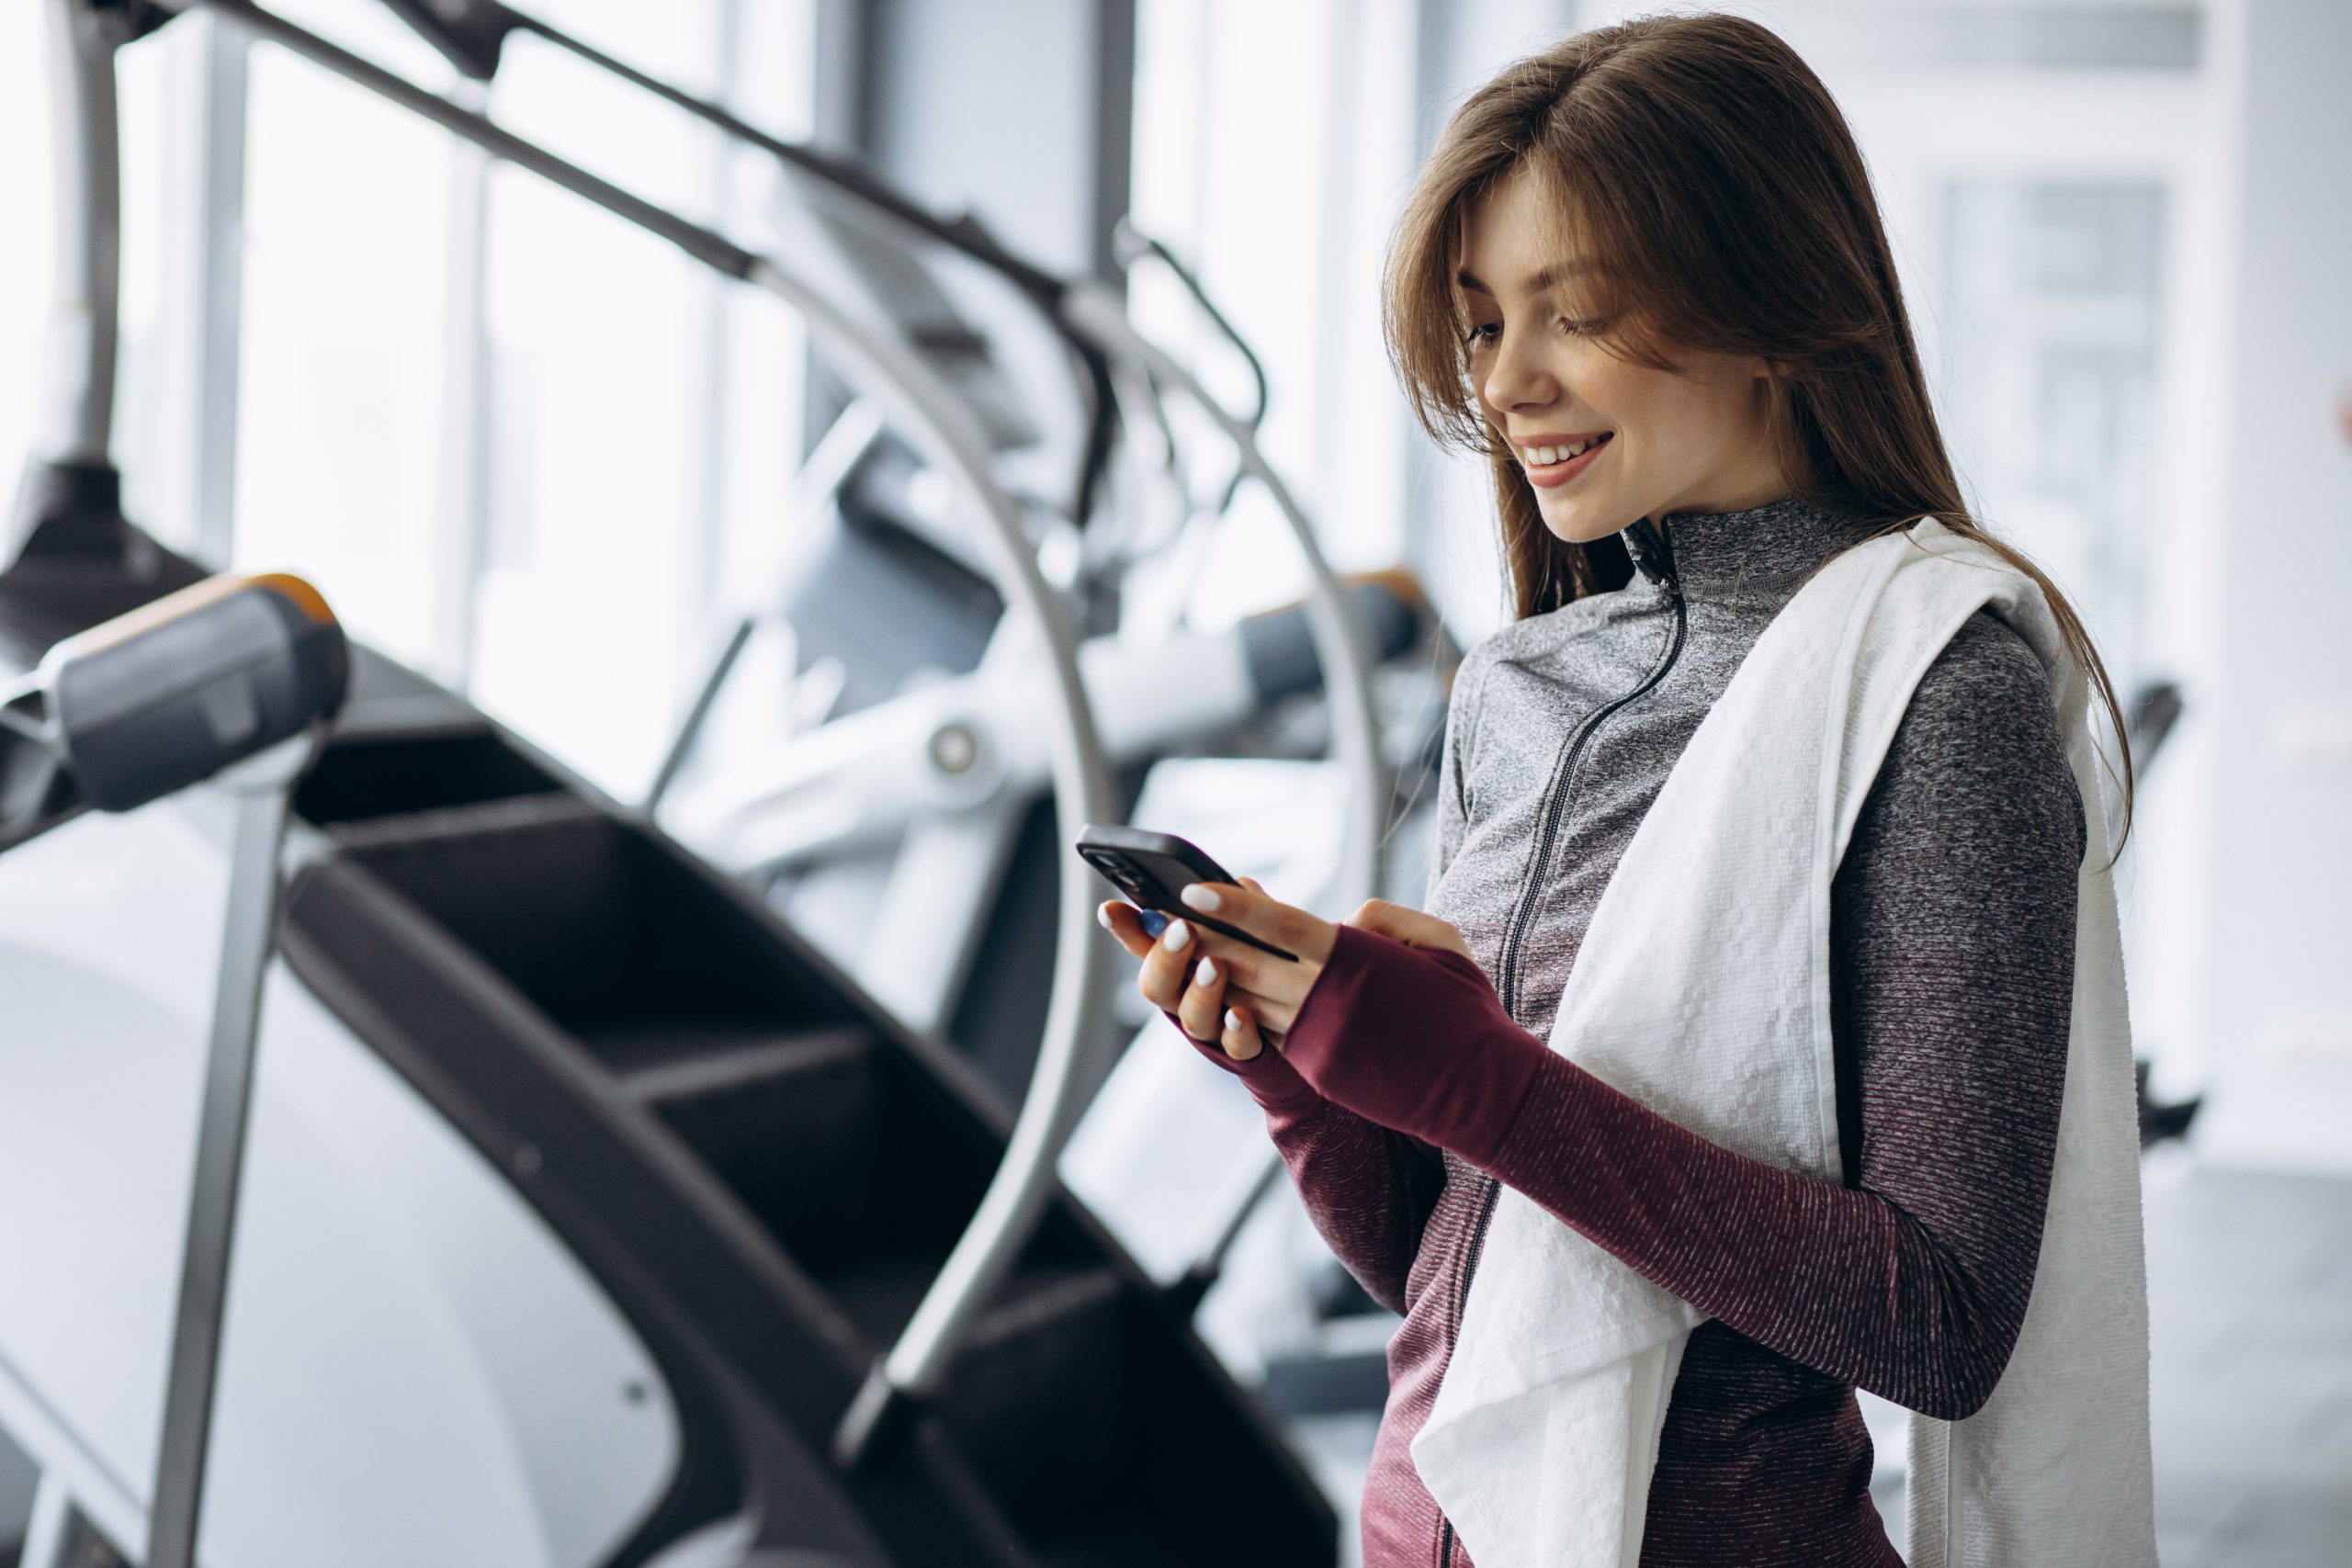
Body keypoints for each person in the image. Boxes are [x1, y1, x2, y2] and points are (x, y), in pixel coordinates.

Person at [1097, 14, 2144, 1568]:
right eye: (1479, 327)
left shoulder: (1935, 690)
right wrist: (1309, 1077)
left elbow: (1940, 1322)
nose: (1508, 385)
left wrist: (1474, 1078)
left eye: (1568, 314)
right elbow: (1475, 1288)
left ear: (1777, 308)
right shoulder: (1518, 693)